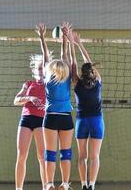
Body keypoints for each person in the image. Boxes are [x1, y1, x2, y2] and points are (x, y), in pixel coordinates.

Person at [63, 26, 105, 190]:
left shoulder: (76, 83)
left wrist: (71, 43)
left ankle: (83, 185)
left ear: (81, 72)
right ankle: (91, 186)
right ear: (93, 72)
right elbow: (88, 63)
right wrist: (79, 43)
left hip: (82, 121)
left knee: (82, 156)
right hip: (97, 121)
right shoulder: (98, 82)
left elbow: (73, 62)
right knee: (95, 156)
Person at [35, 22, 74, 190]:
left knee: (50, 154)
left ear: (50, 68)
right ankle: (65, 184)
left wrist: (42, 37)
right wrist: (65, 36)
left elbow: (45, 56)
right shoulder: (66, 76)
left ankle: (49, 184)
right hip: (65, 118)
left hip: (50, 117)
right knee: (66, 154)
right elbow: (64, 54)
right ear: (63, 68)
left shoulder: (47, 78)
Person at [14, 54, 46, 190]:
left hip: (41, 120)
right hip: (26, 119)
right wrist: (30, 98)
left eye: (43, 68)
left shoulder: (49, 85)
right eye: (38, 68)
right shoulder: (28, 84)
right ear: (34, 70)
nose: (41, 71)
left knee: (42, 157)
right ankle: (19, 188)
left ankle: (46, 187)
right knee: (21, 156)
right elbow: (16, 100)